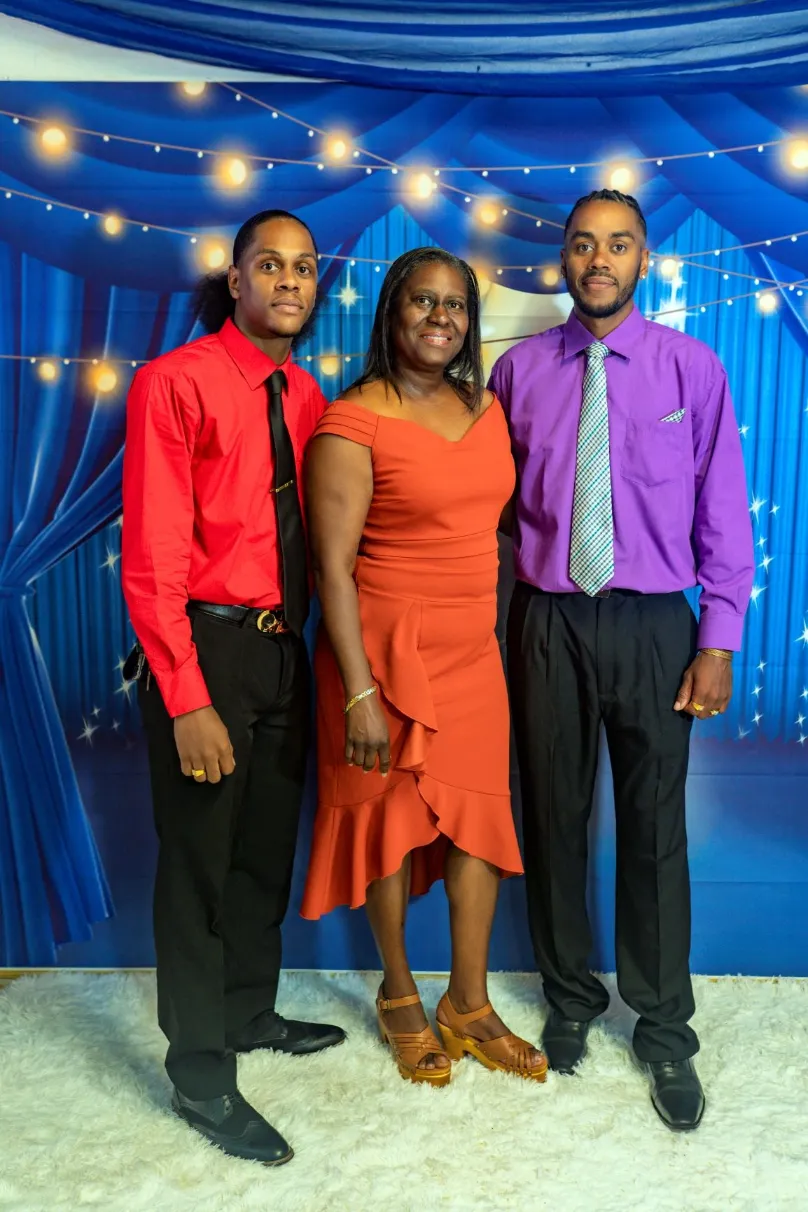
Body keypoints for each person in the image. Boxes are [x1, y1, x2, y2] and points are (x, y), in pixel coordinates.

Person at [491, 189, 755, 1130]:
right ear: (562, 260)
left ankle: (663, 1029)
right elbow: (488, 514)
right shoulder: (517, 373)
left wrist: (718, 636)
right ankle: (569, 1001)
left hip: (654, 624)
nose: (599, 259)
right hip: (547, 622)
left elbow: (723, 510)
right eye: (582, 244)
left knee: (652, 830)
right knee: (551, 817)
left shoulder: (693, 368)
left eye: (619, 245)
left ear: (645, 261)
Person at [121, 208, 345, 1167]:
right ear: (236, 280)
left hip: (283, 651)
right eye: (270, 265)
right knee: (200, 864)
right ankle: (200, 1070)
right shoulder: (174, 383)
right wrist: (186, 696)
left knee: (262, 852)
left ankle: (251, 1010)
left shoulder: (308, 394)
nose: (289, 282)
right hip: (205, 648)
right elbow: (153, 556)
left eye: (302, 268)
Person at [301, 247, 546, 1086]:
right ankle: (400, 994)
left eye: (455, 305)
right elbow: (330, 569)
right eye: (422, 302)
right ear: (391, 313)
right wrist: (360, 692)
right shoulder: (352, 420)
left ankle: (468, 1003)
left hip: (472, 650)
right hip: (382, 655)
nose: (440, 318)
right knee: (391, 824)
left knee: (479, 817)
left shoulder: (484, 408)